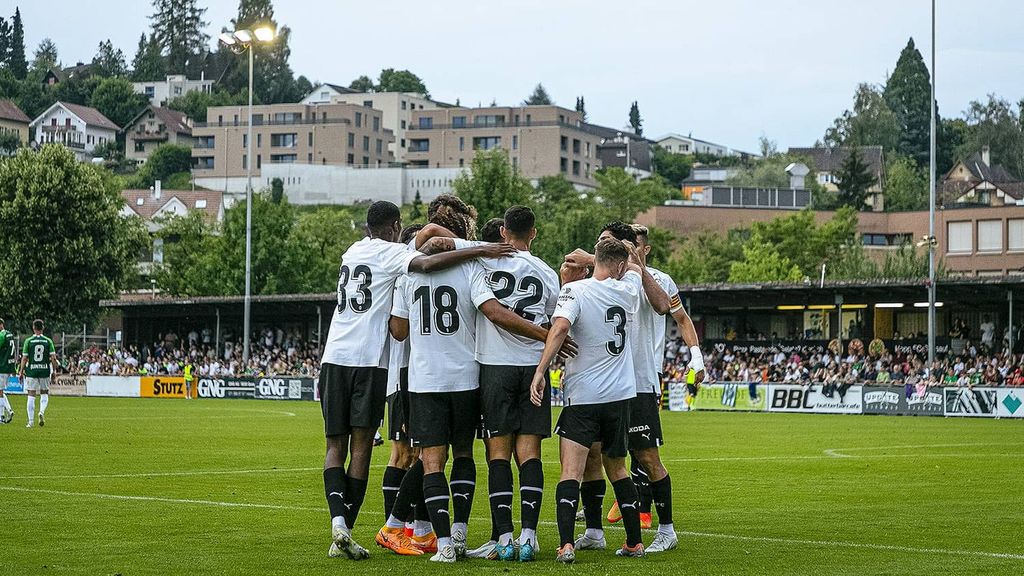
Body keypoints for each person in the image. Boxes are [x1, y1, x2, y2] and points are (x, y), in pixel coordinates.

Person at [318, 200, 513, 561]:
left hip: (334, 358)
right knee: (365, 450)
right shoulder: (396, 256)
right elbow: (425, 261)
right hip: (374, 363)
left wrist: (444, 240)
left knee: (336, 447)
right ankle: (386, 527)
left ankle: (341, 524)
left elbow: (425, 241)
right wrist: (480, 248)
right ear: (394, 227)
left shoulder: (352, 251)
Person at [385, 202, 556, 563]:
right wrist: (545, 335)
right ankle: (480, 534)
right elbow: (495, 312)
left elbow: (398, 331)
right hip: (468, 376)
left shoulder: (406, 272)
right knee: (469, 455)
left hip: (428, 378)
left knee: (432, 461)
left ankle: (446, 544)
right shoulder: (474, 268)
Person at [530, 237, 648, 563]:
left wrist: (542, 370)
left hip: (584, 395)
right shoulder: (628, 289)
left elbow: (560, 328)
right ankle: (634, 542)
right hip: (621, 396)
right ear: (621, 266)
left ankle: (566, 544)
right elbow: (635, 266)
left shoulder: (576, 290)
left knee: (571, 470)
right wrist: (611, 255)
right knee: (619, 469)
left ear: (594, 260)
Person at [19, 319, 58, 428]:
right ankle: (41, 412)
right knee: (44, 393)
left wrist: (21, 372)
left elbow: (24, 358)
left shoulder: (28, 341)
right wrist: (54, 371)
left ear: (33, 328)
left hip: (31, 370)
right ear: (43, 328)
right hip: (45, 370)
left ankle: (30, 422)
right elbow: (53, 358)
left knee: (31, 394)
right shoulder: (48, 341)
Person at [0, 319, 16, 423]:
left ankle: (8, 411)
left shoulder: (1, 336)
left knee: (0, 392)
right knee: (0, 391)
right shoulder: (9, 334)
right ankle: (2, 415)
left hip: (1, 366)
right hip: (8, 367)